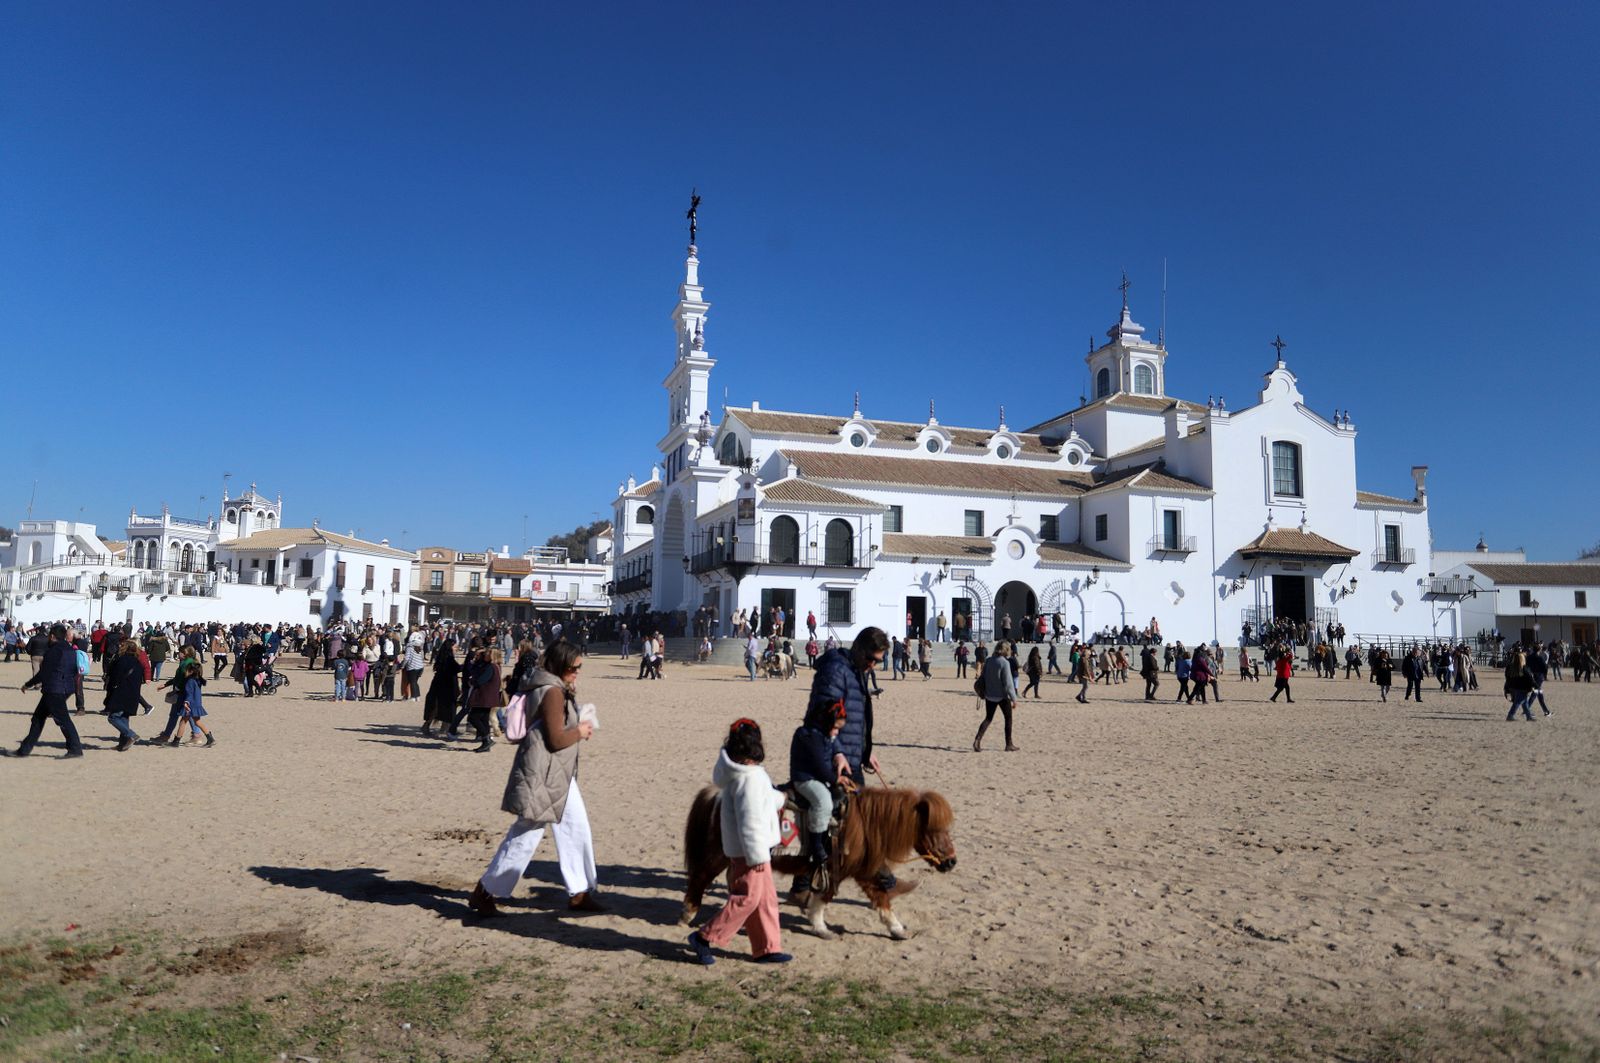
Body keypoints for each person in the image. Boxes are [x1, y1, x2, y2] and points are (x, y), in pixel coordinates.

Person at [469, 640, 601, 916]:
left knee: (576, 827)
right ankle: (486, 891)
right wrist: (581, 731)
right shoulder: (552, 690)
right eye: (574, 667)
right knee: (526, 833)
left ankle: (579, 891)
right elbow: (556, 739)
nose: (578, 671)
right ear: (560, 665)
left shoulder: (551, 685)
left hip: (556, 773)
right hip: (544, 773)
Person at [686, 719, 791, 965]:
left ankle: (767, 947)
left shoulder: (742, 775)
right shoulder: (751, 778)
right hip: (750, 853)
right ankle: (704, 936)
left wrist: (779, 798)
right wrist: (756, 857)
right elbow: (751, 821)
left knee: (765, 900)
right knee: (747, 898)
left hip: (748, 850)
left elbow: (762, 800)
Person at [11, 624, 85, 758]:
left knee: (63, 719)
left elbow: (44, 673)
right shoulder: (70, 649)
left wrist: (28, 684)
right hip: (65, 687)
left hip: (55, 689)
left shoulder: (54, 651)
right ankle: (24, 750)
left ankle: (75, 748)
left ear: (52, 636)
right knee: (38, 718)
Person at [790, 699, 845, 879]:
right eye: (835, 728)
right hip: (805, 778)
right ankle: (816, 843)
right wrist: (836, 779)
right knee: (823, 801)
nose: (837, 733)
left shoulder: (822, 735)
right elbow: (819, 766)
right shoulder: (809, 736)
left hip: (819, 776)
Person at [103, 637, 147, 752]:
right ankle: (122, 744)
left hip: (122, 692)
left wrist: (109, 690)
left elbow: (114, 678)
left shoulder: (121, 660)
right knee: (124, 718)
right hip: (134, 693)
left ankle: (131, 734)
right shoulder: (138, 662)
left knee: (113, 717)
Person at [975, 641, 1019, 751]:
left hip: (989, 695)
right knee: (1008, 719)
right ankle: (1008, 744)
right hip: (1002, 696)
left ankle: (977, 739)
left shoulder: (989, 660)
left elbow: (983, 677)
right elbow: (1008, 683)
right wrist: (1014, 698)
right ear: (1006, 650)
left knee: (988, 718)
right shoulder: (1004, 663)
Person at [170, 660, 215, 747]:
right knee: (197, 722)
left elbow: (189, 693)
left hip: (190, 704)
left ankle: (176, 741)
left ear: (191, 671)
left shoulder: (190, 681)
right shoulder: (198, 680)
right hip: (197, 703)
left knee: (183, 721)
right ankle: (210, 738)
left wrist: (186, 702)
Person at [422, 638, 460, 736]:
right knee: (446, 707)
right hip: (446, 686)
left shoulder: (443, 657)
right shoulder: (449, 659)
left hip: (439, 684)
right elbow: (456, 668)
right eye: (455, 646)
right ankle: (445, 729)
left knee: (437, 707)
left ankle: (429, 725)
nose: (456, 648)